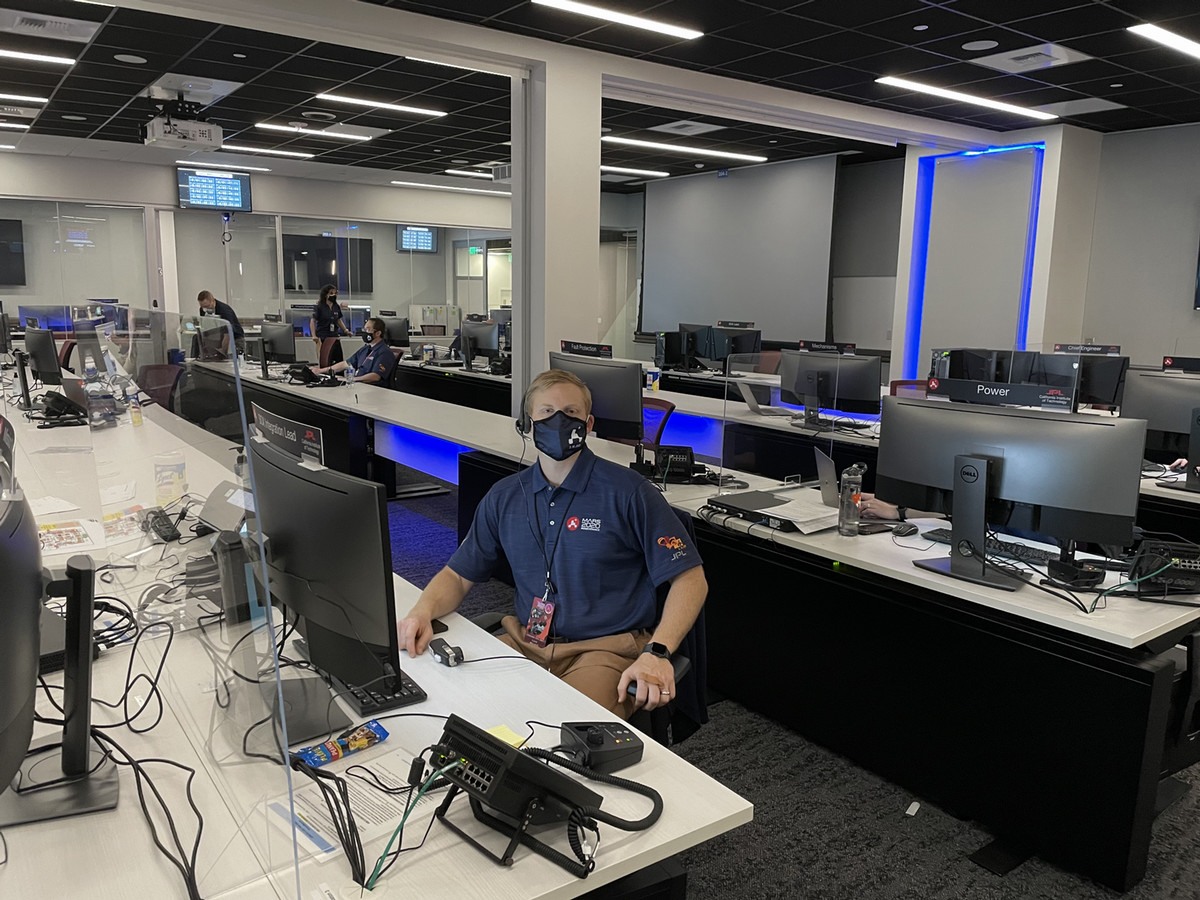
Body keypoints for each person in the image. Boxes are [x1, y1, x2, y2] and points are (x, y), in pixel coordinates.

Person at [398, 368, 708, 718]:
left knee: (556, 732)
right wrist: (421, 611)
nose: (559, 421)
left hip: (604, 650)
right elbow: (458, 575)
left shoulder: (629, 492)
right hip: (527, 640)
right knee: (456, 705)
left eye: (571, 413)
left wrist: (659, 652)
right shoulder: (504, 497)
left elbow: (690, 579)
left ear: (589, 424)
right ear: (526, 425)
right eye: (546, 413)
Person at [310, 316, 395, 386]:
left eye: (368, 330)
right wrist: (320, 371)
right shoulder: (365, 349)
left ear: (377, 333)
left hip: (372, 389)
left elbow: (375, 376)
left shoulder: (384, 352)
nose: (364, 332)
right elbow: (345, 364)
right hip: (359, 385)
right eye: (364, 329)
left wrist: (351, 379)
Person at [310, 284, 350, 366]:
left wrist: (346, 330)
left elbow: (338, 320)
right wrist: (314, 336)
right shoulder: (320, 306)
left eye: (335, 293)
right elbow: (313, 321)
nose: (334, 295)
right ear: (325, 294)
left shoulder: (336, 306)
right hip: (322, 336)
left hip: (334, 335)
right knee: (325, 360)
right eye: (331, 293)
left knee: (338, 359)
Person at [196, 290, 245, 356]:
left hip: (235, 339)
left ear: (213, 301)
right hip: (219, 339)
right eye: (203, 306)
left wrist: (223, 352)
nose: (205, 309)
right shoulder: (203, 310)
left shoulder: (224, 310)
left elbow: (227, 333)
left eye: (207, 306)